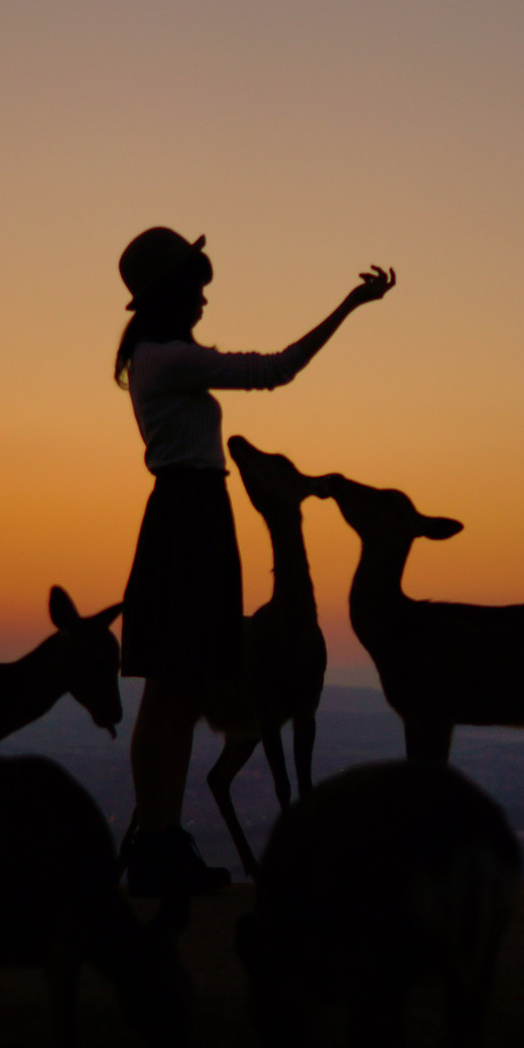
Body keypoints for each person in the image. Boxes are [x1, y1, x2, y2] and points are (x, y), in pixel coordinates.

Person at [115, 225, 396, 900]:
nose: (204, 300)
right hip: (190, 518)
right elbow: (277, 369)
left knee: (174, 693)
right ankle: (156, 843)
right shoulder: (170, 361)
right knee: (173, 692)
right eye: (196, 288)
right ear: (171, 294)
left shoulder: (155, 358)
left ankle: (159, 840)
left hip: (190, 515)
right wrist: (350, 306)